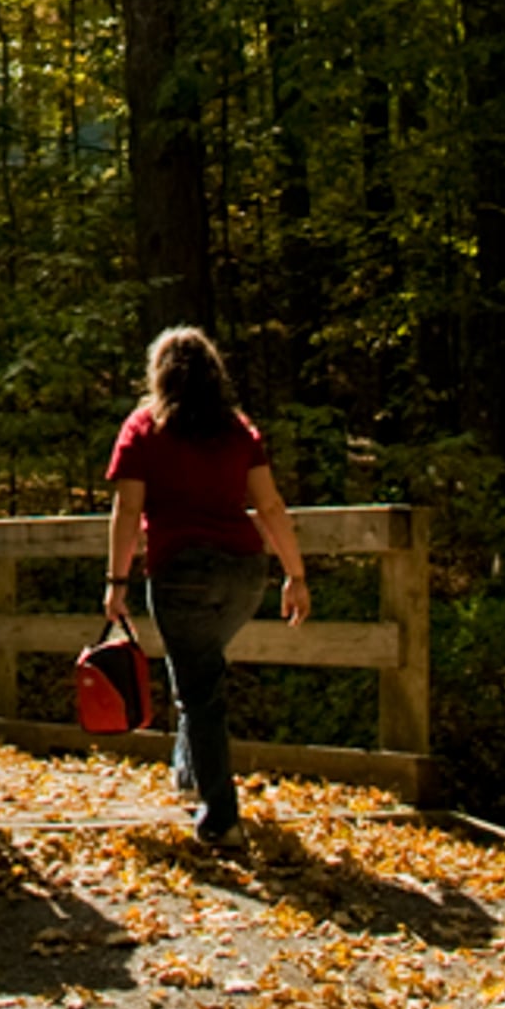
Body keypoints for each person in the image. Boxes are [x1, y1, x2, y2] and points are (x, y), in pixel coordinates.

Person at [103, 324, 309, 848]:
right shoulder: (238, 430)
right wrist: (295, 574)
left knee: (200, 691)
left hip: (180, 571)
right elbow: (269, 505)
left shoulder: (144, 427)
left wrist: (116, 579)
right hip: (244, 572)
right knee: (199, 673)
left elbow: (127, 508)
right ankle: (190, 778)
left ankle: (220, 817)